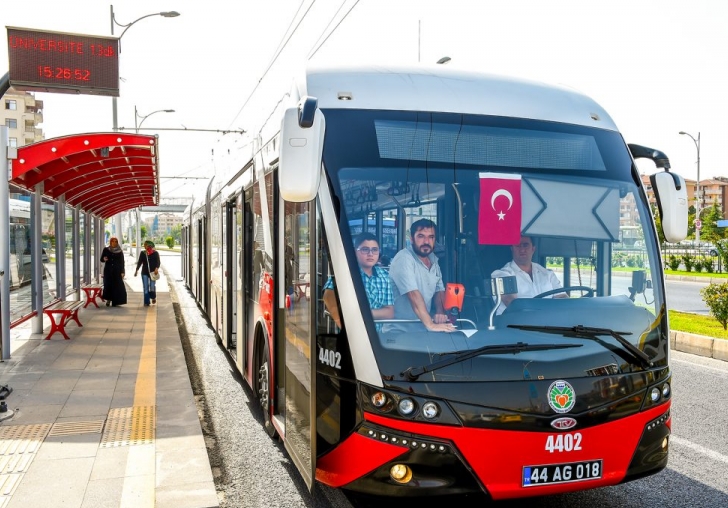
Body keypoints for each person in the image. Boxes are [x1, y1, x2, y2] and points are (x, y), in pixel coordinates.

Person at [387, 219, 455, 333]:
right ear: (412, 239)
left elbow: (439, 291)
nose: (426, 241)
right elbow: (413, 294)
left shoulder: (433, 259)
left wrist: (440, 312)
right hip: (399, 331)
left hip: (422, 330)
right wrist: (430, 324)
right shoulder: (404, 258)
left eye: (431, 237)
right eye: (421, 236)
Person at [323, 233, 394, 329]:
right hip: (351, 334)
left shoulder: (384, 276)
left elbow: (389, 312)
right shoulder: (346, 272)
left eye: (374, 250)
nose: (370, 254)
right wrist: (343, 325)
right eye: (365, 249)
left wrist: (360, 313)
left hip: (376, 337)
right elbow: (328, 296)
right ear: (355, 252)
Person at [491, 235, 566, 314]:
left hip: (548, 322)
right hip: (514, 323)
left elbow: (562, 298)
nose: (522, 249)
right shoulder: (500, 275)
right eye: (517, 245)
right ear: (512, 248)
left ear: (533, 249)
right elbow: (511, 303)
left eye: (525, 245)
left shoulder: (548, 274)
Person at [100, 237, 127, 307]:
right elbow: (101, 259)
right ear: (110, 242)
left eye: (116, 241)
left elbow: (122, 262)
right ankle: (108, 299)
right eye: (113, 241)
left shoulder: (120, 251)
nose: (114, 243)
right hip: (108, 271)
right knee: (108, 285)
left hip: (117, 271)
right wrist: (104, 259)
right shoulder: (106, 249)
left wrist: (122, 271)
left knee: (117, 286)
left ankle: (115, 301)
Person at [134, 240, 161, 306]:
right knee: (146, 288)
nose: (144, 246)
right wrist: (136, 270)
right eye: (144, 245)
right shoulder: (143, 253)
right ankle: (147, 302)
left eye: (146, 245)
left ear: (150, 245)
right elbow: (140, 262)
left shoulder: (155, 253)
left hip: (153, 273)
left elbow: (158, 262)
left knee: (152, 286)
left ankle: (153, 297)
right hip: (144, 272)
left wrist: (156, 268)